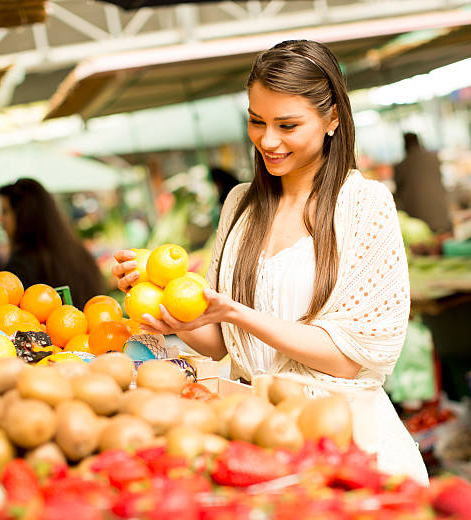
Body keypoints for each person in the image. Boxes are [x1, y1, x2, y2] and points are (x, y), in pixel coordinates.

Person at [113, 40, 428, 485]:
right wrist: (169, 306)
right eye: (256, 121)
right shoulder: (240, 205)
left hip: (348, 445)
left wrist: (238, 313)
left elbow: (348, 358)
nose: (268, 140)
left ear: (333, 118)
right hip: (256, 440)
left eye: (288, 124)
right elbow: (223, 342)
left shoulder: (365, 205)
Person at [0, 178, 107, 309]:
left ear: (24, 215)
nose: (0, 219)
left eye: (5, 211)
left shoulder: (27, 258)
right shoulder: (74, 250)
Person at [393, 132, 453, 233]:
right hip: (443, 218)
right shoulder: (434, 158)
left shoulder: (400, 166)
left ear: (405, 145)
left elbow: (398, 194)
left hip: (420, 224)